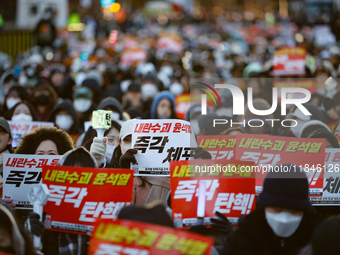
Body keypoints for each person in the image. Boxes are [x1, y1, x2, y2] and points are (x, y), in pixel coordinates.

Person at [221, 164, 324, 255]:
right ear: (265, 206)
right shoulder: (241, 239)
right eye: (277, 210)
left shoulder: (322, 241)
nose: (285, 219)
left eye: (294, 211)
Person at [29, 147, 97, 255]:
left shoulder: (104, 215)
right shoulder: (45, 211)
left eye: (84, 176)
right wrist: (30, 229)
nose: (77, 181)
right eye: (71, 175)